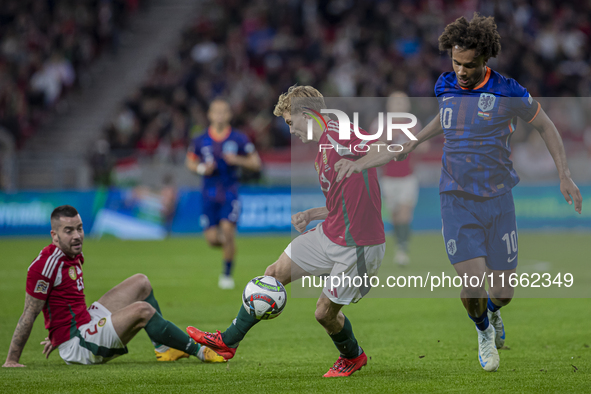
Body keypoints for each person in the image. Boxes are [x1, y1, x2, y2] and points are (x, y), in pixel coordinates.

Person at [334, 14, 582, 372]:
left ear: (485, 59)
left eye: (469, 65)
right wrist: (406, 144)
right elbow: (446, 117)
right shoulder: (444, 85)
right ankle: (482, 332)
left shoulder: (508, 91)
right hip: (455, 199)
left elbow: (545, 125)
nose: (461, 71)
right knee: (472, 284)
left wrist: (564, 174)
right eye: (456, 62)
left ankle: (493, 315)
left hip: (499, 200)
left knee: (503, 294)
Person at [186, 85, 386, 377]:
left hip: (359, 245)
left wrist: (363, 162)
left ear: (307, 114)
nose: (291, 131)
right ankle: (228, 341)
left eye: (291, 123)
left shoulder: (341, 134)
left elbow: (382, 148)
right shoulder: (323, 152)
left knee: (324, 314)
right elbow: (341, 205)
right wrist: (311, 214)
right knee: (273, 273)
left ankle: (353, 356)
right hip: (330, 232)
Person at [2, 205, 224, 367]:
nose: (77, 235)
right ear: (54, 236)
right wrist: (12, 359)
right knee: (143, 310)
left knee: (141, 282)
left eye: (79, 228)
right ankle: (200, 351)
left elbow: (63, 304)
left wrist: (57, 333)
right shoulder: (45, 266)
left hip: (83, 324)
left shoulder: (71, 254)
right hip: (78, 344)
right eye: (69, 231)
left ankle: (165, 350)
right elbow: (28, 314)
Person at [186, 99, 261, 289]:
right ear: (210, 115)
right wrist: (203, 169)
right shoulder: (200, 139)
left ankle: (226, 275)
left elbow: (256, 163)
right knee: (212, 240)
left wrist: (237, 160)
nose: (219, 115)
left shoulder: (239, 139)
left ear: (229, 115)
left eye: (223, 112)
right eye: (216, 112)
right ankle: (229, 246)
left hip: (229, 192)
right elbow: (190, 162)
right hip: (208, 194)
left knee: (228, 231)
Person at [370, 92, 426, 266]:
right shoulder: (380, 123)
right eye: (395, 103)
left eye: (402, 103)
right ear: (388, 105)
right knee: (395, 216)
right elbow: (373, 147)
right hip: (387, 178)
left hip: (408, 177)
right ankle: (399, 244)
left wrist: (412, 138)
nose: (399, 106)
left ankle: (403, 250)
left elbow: (424, 147)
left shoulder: (415, 124)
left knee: (404, 213)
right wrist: (390, 134)